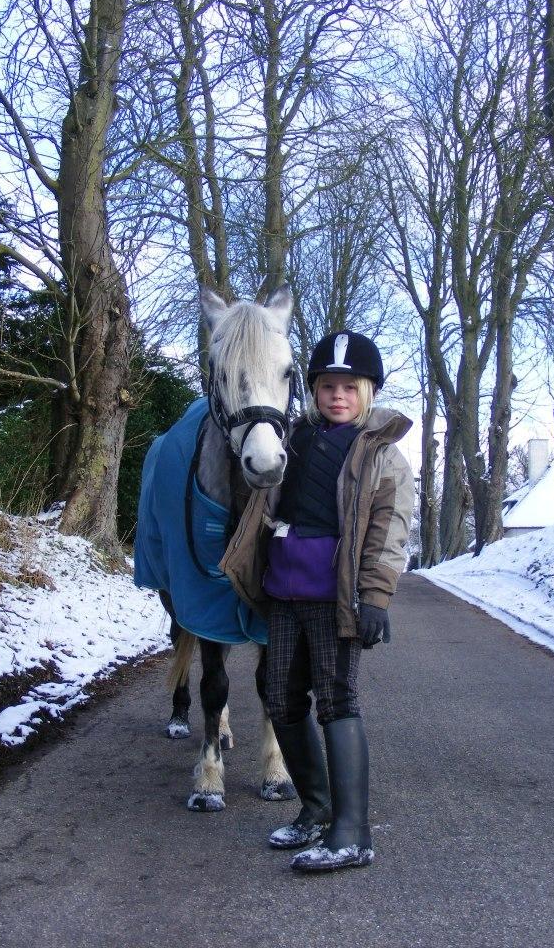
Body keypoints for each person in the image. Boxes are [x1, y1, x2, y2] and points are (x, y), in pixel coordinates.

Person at [221, 330, 414, 873]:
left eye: (349, 387)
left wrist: (375, 598)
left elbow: (389, 531)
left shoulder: (382, 456)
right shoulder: (294, 439)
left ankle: (353, 832)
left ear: (367, 391)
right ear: (311, 389)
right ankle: (316, 809)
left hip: (337, 599)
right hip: (283, 592)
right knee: (280, 697)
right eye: (327, 386)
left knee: (336, 701)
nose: (337, 396)